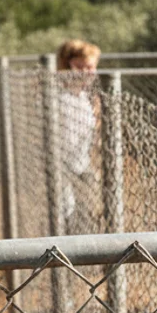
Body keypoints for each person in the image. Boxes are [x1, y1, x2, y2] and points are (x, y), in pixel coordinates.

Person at [55, 39, 101, 234]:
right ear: (68, 66)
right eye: (83, 66)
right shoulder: (56, 97)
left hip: (81, 167)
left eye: (92, 67)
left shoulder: (85, 98)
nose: (89, 72)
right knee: (66, 217)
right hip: (61, 169)